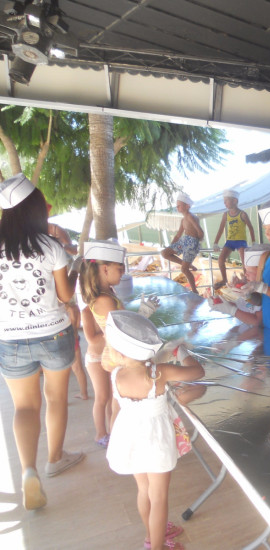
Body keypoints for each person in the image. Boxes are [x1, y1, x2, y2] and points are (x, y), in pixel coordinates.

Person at [0, 173, 85, 510]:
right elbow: (64, 295)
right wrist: (74, 269)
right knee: (55, 398)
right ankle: (55, 458)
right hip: (53, 332)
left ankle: (28, 471)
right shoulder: (50, 247)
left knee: (24, 407)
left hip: (10, 338)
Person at [104, 310, 203, 550]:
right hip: (155, 441)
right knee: (159, 498)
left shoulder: (116, 374)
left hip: (129, 437)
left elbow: (115, 411)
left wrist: (115, 439)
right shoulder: (159, 372)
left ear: (121, 353)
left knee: (144, 491)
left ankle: (151, 537)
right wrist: (182, 352)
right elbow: (197, 373)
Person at [80, 240, 159, 447]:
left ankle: (114, 438)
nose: (123, 272)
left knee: (116, 403)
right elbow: (118, 332)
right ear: (105, 269)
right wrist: (142, 315)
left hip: (114, 355)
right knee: (117, 405)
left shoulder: (107, 295)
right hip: (115, 356)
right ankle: (116, 444)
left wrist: (140, 315)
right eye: (120, 268)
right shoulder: (104, 300)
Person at [209, 196, 270, 350]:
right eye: (265, 229)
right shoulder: (268, 255)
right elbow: (260, 300)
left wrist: (262, 288)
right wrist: (246, 293)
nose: (267, 234)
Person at [46, 208, 88, 399]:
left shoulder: (56, 230)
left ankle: (80, 392)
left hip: (61, 288)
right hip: (55, 302)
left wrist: (62, 247)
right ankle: (81, 392)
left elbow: (72, 250)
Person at [161, 192, 204, 294]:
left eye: (179, 205)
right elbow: (178, 235)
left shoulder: (190, 217)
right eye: (177, 206)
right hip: (184, 241)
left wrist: (196, 242)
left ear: (187, 206)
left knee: (184, 269)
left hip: (191, 242)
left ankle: (194, 291)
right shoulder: (183, 219)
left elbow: (200, 232)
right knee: (164, 253)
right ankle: (188, 265)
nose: (177, 207)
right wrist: (171, 246)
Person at [212, 189, 254, 289]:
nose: (224, 203)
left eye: (226, 201)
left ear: (235, 201)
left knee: (245, 262)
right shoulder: (226, 215)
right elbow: (221, 229)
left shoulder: (242, 214)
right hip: (230, 241)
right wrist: (215, 243)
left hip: (241, 241)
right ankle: (224, 279)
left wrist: (254, 242)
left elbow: (251, 228)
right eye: (224, 201)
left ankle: (247, 279)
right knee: (221, 259)